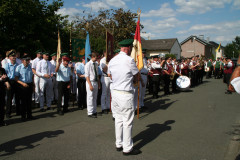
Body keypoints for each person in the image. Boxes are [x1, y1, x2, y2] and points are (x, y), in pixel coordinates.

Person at [108, 39, 141, 155]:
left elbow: (110, 75)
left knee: (118, 120)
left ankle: (119, 143)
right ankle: (127, 148)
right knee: (127, 122)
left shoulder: (112, 60)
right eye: (130, 48)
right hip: (125, 93)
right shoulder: (129, 60)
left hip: (115, 92)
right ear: (127, 48)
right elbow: (136, 75)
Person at [15, 55, 34, 121]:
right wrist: (23, 83)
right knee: (23, 101)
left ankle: (29, 115)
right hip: (22, 85)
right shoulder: (19, 67)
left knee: (29, 100)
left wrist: (33, 85)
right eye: (26, 60)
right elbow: (16, 78)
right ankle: (23, 116)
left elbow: (32, 76)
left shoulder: (29, 67)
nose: (27, 62)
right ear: (22, 61)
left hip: (29, 84)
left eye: (28, 60)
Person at [4, 49, 20, 118]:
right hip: (10, 81)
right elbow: (5, 75)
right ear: (9, 57)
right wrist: (7, 83)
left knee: (18, 97)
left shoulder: (18, 65)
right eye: (12, 56)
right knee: (9, 98)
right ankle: (8, 113)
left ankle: (18, 111)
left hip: (17, 81)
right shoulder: (6, 65)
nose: (14, 57)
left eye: (15, 56)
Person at [85, 52, 100, 118]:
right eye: (96, 57)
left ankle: (94, 111)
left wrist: (99, 84)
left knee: (95, 97)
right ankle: (90, 112)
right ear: (92, 57)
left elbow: (97, 74)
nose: (96, 59)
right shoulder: (88, 64)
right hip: (90, 82)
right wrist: (90, 85)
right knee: (90, 97)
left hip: (95, 81)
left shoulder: (96, 64)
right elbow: (87, 76)